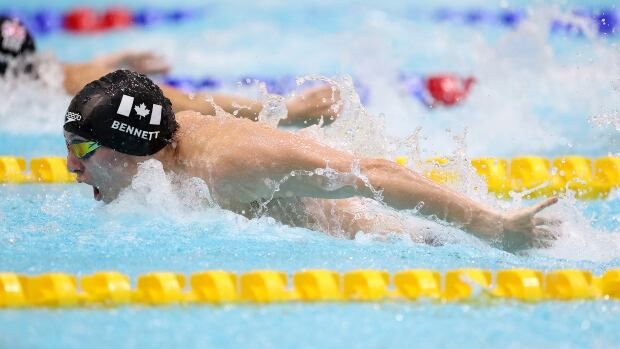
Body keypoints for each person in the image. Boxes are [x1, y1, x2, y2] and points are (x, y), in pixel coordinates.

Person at [64, 70, 560, 252]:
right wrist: (297, 111)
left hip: (390, 236)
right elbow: (182, 96)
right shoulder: (162, 129)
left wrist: (491, 226)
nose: (71, 168)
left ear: (129, 145)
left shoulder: (228, 164)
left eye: (83, 149)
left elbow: (374, 176)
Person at [1, 15, 338, 127]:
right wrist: (286, 111)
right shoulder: (43, 81)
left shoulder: (39, 82)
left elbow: (47, 74)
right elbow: (178, 102)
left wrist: (110, 61)